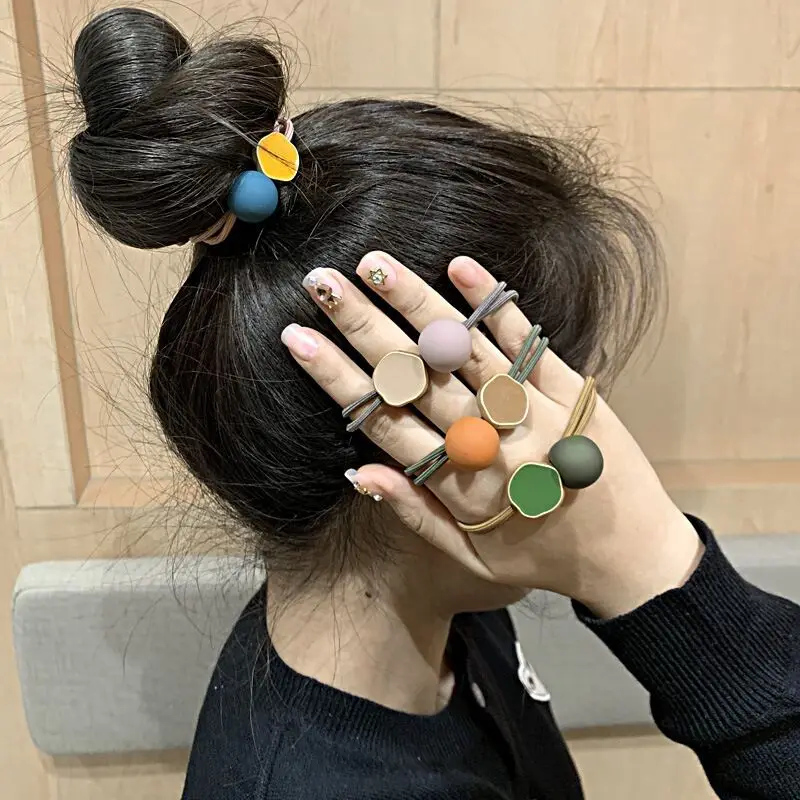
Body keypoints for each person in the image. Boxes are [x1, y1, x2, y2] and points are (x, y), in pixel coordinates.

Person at [65, 8, 800, 800]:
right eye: (547, 389)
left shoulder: (460, 605)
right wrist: (656, 573)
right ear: (425, 445)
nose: (579, 425)